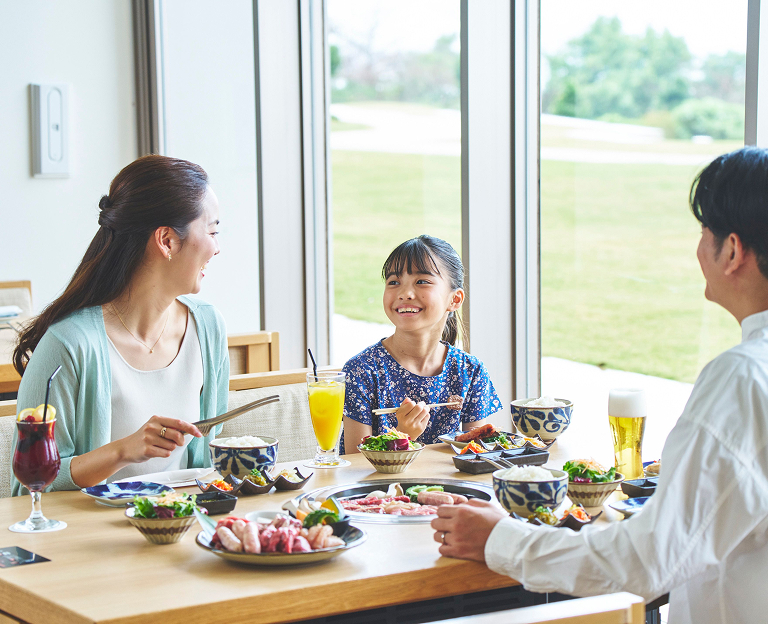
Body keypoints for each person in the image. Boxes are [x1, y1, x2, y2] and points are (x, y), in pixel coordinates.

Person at [430, 147, 768, 623]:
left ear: (731, 250)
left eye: (703, 232)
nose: (698, 247)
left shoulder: (744, 377)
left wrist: (501, 539)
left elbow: (647, 561)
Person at [11, 155, 229, 495]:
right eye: (213, 231)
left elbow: (210, 466)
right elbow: (28, 492)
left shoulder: (208, 326)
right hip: (93, 542)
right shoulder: (68, 345)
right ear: (167, 241)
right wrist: (123, 451)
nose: (217, 248)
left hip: (182, 530)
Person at [342, 235, 503, 453]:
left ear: (454, 300)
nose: (405, 293)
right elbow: (354, 466)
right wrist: (402, 437)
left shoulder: (470, 370)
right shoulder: (361, 371)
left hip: (450, 486)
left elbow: (478, 454)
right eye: (394, 282)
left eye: (422, 282)